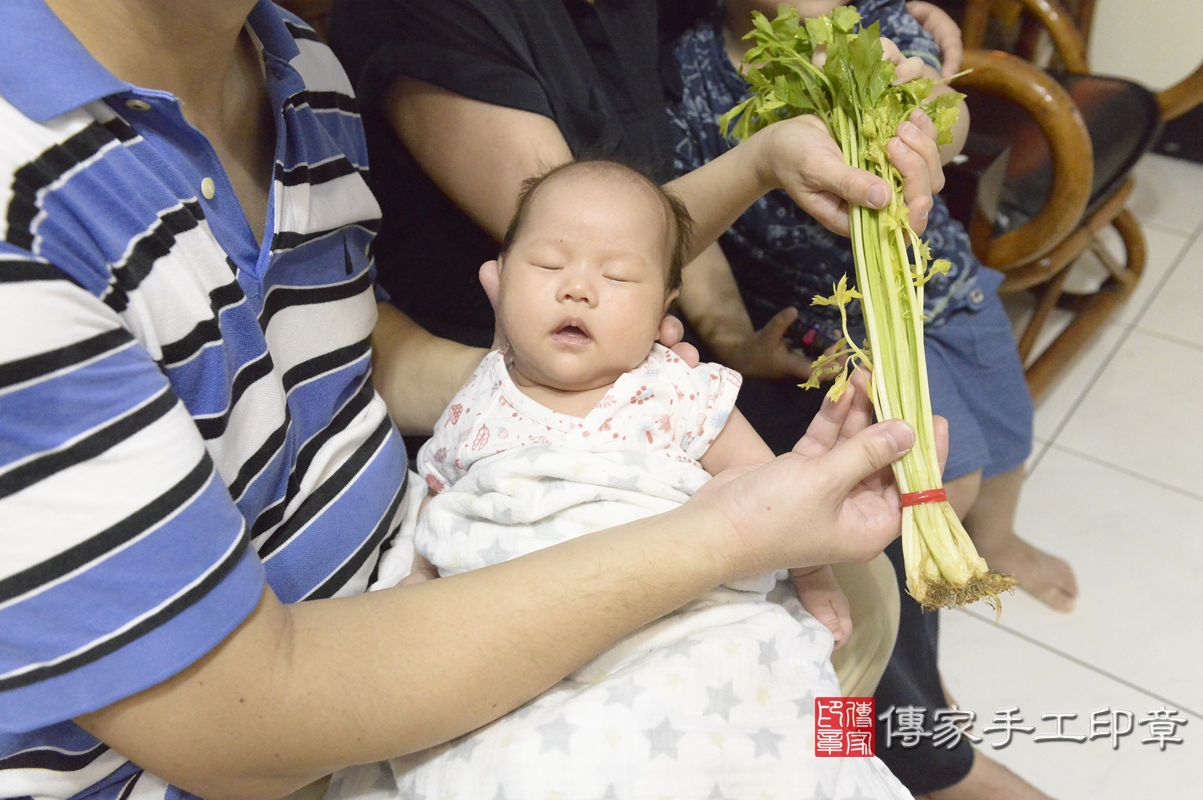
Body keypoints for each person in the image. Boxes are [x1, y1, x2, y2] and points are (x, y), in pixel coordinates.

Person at [0, 1, 939, 798]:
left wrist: (560, 393)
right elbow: (238, 722)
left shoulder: (291, 63)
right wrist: (730, 535)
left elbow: (336, 338)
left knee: (850, 623)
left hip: (422, 595)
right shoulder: (8, 206)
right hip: (274, 742)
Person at [327, 158, 909, 800]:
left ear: (664, 307)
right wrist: (414, 584)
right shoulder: (474, 401)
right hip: (511, 641)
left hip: (676, 623)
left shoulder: (677, 389)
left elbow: (778, 493)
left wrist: (815, 578)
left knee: (766, 714)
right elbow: (441, 509)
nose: (577, 289)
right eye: (548, 264)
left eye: (617, 275)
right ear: (498, 278)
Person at [667, 0, 1070, 796]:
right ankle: (920, 648)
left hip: (943, 278)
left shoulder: (882, 23)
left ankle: (1000, 537)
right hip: (845, 309)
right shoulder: (689, 68)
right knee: (940, 470)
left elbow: (949, 126)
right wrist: (730, 334)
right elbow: (695, 229)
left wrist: (929, 110)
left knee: (1006, 416)